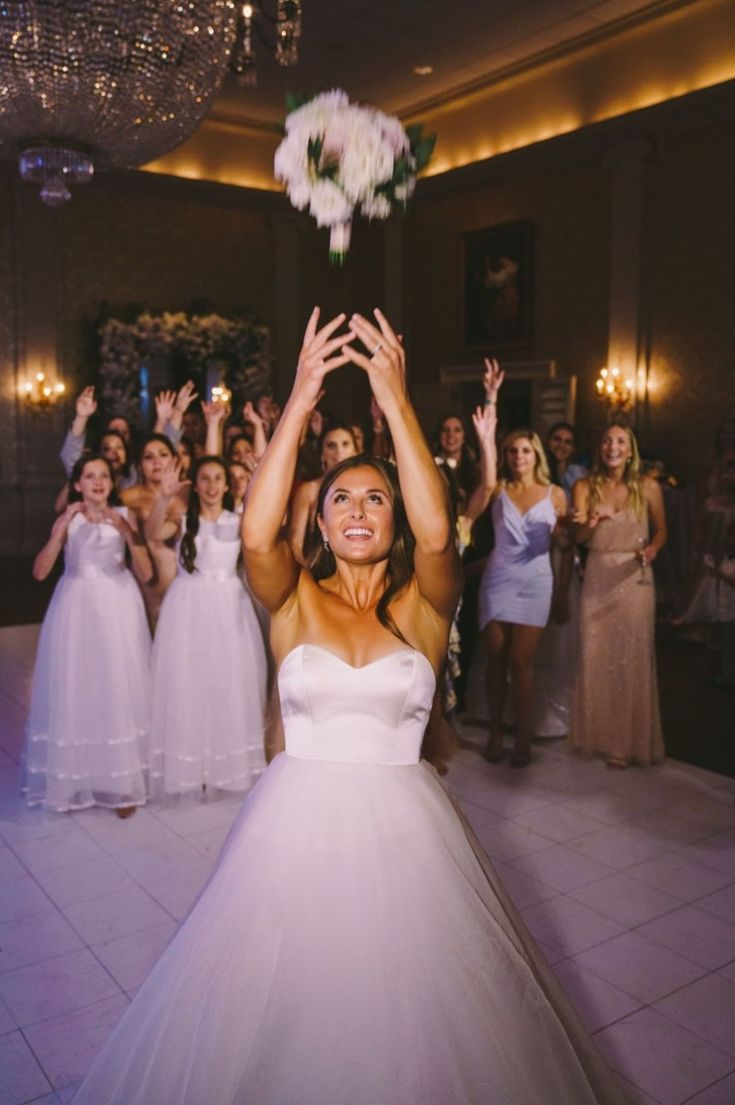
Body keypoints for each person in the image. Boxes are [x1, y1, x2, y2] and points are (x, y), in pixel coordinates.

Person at [71, 308, 629, 1105]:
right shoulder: (292, 599)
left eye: (376, 497)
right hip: (288, 834)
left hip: (411, 838)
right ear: (323, 523)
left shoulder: (425, 605)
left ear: (394, 516)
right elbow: (259, 537)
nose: (359, 508)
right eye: (341, 499)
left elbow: (441, 540)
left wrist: (394, 398)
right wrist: (298, 400)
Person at [24, 455, 152, 815]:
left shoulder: (125, 517)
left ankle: (122, 783)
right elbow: (40, 571)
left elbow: (146, 573)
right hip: (76, 608)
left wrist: (127, 532)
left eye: (104, 476)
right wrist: (63, 522)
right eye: (89, 476)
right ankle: (73, 779)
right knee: (77, 687)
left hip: (118, 607)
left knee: (115, 687)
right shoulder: (71, 519)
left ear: (112, 483)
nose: (97, 482)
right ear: (77, 484)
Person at [146, 455, 267, 798]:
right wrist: (164, 497)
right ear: (195, 485)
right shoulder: (185, 520)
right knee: (189, 683)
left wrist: (259, 480)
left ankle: (225, 766)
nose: (212, 485)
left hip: (229, 606)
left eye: (218, 478)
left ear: (227, 485)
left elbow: (273, 527)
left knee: (226, 682)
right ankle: (190, 766)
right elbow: (154, 534)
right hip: (187, 607)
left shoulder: (239, 520)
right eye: (205, 478)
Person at [570, 421, 667, 766]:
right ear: (600, 447)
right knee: (594, 655)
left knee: (631, 659)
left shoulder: (648, 487)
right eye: (607, 440)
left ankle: (626, 745)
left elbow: (661, 532)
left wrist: (653, 549)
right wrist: (590, 523)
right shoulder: (584, 485)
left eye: (620, 441)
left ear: (630, 449)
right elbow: (577, 539)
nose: (613, 446)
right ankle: (596, 736)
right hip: (597, 575)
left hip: (634, 577)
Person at [478, 422, 568, 766]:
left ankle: (524, 738)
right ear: (505, 456)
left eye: (526, 450)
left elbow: (564, 546)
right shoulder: (497, 488)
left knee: (522, 663)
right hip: (498, 578)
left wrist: (562, 591)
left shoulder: (555, 493)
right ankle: (496, 733)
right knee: (496, 661)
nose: (519, 456)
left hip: (536, 581)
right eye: (513, 451)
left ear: (536, 455)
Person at [287, 421, 358, 563]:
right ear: (322, 454)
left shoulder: (367, 489)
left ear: (355, 451)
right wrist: (308, 579)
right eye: (331, 446)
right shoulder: (309, 490)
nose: (339, 452)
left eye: (345, 444)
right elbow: (295, 544)